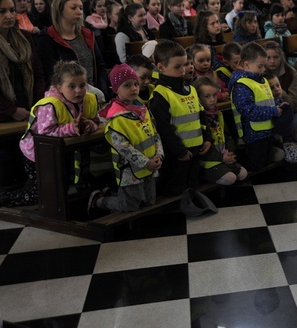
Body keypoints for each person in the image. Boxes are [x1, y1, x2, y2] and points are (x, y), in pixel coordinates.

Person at [1, 61, 99, 207]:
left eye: (82, 85)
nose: (78, 91)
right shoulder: (50, 105)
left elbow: (95, 119)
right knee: (40, 192)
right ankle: (4, 199)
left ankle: (61, 208)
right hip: (36, 152)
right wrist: (71, 128)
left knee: (60, 186)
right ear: (59, 87)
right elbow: (46, 134)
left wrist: (90, 125)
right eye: (72, 86)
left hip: (60, 150)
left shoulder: (87, 99)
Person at [89, 64, 163, 214]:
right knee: (129, 205)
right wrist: (145, 162)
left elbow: (154, 133)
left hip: (151, 163)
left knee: (149, 201)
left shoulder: (142, 109)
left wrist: (159, 155)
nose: (134, 88)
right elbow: (123, 147)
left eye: (136, 84)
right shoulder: (116, 116)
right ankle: (100, 201)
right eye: (127, 85)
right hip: (130, 169)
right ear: (116, 89)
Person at [149, 40, 213, 196]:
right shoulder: (160, 96)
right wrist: (180, 151)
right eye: (177, 67)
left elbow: (201, 116)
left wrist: (207, 138)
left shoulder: (190, 88)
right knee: (176, 191)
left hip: (196, 149)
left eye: (185, 64)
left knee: (193, 186)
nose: (183, 70)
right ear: (161, 67)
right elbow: (164, 129)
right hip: (176, 155)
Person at [36, 0, 108, 98]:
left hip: (93, 96)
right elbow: (51, 75)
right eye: (73, 8)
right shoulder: (47, 38)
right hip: (66, 98)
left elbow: (99, 66)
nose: (79, 12)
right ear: (60, 10)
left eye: (81, 8)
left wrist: (102, 92)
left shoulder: (87, 34)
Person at [229, 42, 286, 172]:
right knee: (256, 164)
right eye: (260, 66)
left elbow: (267, 100)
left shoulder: (262, 79)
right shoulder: (241, 85)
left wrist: (278, 104)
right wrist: (273, 111)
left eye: (263, 66)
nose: (263, 70)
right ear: (247, 64)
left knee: (266, 160)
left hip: (267, 129)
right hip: (253, 132)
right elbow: (248, 110)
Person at [193, 76, 248, 185]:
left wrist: (230, 151)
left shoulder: (219, 114)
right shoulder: (198, 118)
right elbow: (202, 149)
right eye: (207, 96)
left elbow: (227, 136)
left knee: (243, 173)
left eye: (214, 95)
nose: (212, 99)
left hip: (224, 155)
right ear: (198, 97)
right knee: (230, 178)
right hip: (210, 161)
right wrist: (221, 158)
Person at [0, 0, 45, 123]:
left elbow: (38, 73)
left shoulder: (24, 37)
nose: (9, 16)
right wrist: (12, 111)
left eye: (12, 10)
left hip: (29, 110)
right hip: (4, 116)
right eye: (2, 11)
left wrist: (37, 104)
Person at [264, 41, 297, 113]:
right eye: (268, 58)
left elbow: (293, 104)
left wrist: (281, 93)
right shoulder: (260, 72)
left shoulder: (291, 73)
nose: (272, 61)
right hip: (267, 111)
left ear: (281, 57)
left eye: (276, 57)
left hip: (288, 111)